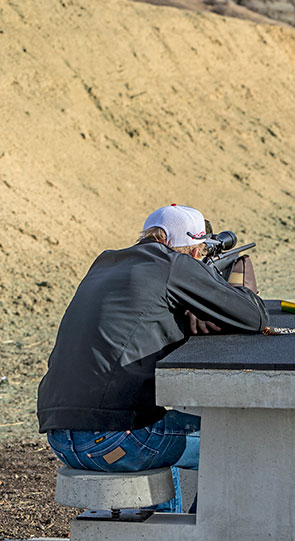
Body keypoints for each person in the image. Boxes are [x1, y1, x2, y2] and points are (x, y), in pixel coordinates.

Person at [37, 204, 268, 512]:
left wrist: (185, 311)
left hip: (61, 441)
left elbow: (136, 320)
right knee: (239, 444)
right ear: (196, 251)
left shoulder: (105, 263)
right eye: (199, 253)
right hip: (117, 440)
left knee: (160, 426)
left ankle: (163, 528)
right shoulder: (174, 264)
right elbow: (254, 316)